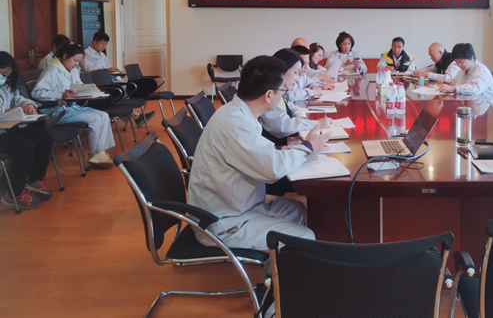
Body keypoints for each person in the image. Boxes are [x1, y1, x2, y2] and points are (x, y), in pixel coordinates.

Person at [187, 55, 330, 252]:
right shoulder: (234, 124)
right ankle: (275, 272)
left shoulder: (240, 112)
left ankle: (277, 266)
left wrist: (283, 150)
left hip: (241, 205)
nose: (283, 96)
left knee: (297, 210)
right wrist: (309, 147)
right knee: (305, 236)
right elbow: (272, 169)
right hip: (223, 222)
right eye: (282, 91)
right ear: (269, 95)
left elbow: (258, 152)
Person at [31, 42, 115, 169]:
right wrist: (61, 95)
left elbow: (78, 86)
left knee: (103, 115)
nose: (76, 64)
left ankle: (100, 153)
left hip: (72, 108)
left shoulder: (73, 70)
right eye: (75, 60)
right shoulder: (52, 71)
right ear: (65, 56)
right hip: (57, 111)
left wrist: (88, 91)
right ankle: (95, 155)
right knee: (95, 119)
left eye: (79, 61)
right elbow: (37, 93)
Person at [0, 52, 53, 210]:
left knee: (44, 137)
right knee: (25, 146)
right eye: (3, 74)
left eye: (8, 75)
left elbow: (16, 97)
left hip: (9, 125)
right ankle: (14, 194)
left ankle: (35, 179)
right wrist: (6, 112)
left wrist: (27, 104)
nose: (5, 78)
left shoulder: (6, 85)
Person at [260, 49, 332, 146]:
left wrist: (302, 118)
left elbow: (292, 106)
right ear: (281, 70)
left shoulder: (279, 91)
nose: (297, 79)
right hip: (277, 147)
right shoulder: (269, 94)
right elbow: (283, 127)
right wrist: (317, 124)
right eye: (295, 72)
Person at [81, 32, 154, 126]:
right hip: (98, 83)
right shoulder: (86, 54)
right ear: (95, 42)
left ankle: (132, 115)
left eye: (106, 44)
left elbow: (108, 68)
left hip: (108, 79)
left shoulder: (102, 55)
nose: (104, 46)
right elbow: (89, 69)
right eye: (102, 43)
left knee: (127, 86)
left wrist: (117, 72)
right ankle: (134, 115)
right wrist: (108, 70)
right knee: (121, 89)